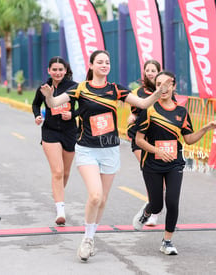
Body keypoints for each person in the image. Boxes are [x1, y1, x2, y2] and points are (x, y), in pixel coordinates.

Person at [41, 50, 173, 262]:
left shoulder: (116, 90)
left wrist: (159, 92)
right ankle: (86, 238)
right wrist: (48, 95)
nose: (104, 65)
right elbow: (54, 103)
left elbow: (143, 104)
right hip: (87, 148)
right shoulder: (81, 88)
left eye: (107, 62)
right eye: (100, 62)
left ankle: (91, 237)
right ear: (91, 65)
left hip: (110, 150)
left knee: (102, 199)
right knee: (95, 195)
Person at [132, 71, 216, 255]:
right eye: (158, 85)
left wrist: (205, 128)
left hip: (174, 163)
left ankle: (167, 241)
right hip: (152, 164)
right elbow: (138, 140)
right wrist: (157, 151)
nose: (162, 88)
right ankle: (147, 212)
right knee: (157, 205)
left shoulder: (181, 112)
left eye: (166, 84)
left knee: (172, 201)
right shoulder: (150, 109)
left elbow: (188, 139)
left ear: (173, 86)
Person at [32, 56, 78, 226]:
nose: (57, 73)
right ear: (49, 71)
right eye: (54, 70)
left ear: (65, 71)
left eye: (61, 69)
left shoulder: (74, 88)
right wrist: (37, 115)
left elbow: (84, 107)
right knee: (57, 172)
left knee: (65, 173)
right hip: (50, 132)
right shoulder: (44, 88)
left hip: (69, 132)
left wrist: (72, 114)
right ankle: (60, 210)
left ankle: (58, 195)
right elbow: (36, 104)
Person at [127, 59, 162, 226]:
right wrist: (132, 117)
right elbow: (133, 111)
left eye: (153, 70)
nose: (150, 73)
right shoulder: (137, 92)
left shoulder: (164, 91)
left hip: (158, 138)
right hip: (139, 137)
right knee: (150, 172)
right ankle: (153, 209)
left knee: (160, 177)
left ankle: (153, 210)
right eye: (147, 70)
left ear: (158, 72)